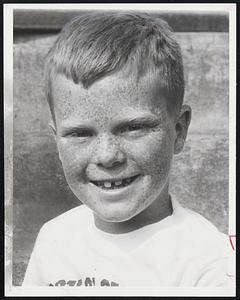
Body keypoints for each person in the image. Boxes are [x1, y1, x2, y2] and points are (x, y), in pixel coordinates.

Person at [22, 12, 232, 287]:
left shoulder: (210, 264)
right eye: (80, 133)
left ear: (178, 131)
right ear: (57, 141)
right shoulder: (53, 238)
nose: (108, 156)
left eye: (133, 128)